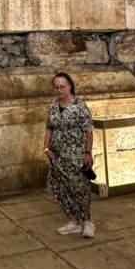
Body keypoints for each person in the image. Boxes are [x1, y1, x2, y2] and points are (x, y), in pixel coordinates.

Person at [44, 72, 95, 238]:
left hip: (76, 154)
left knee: (79, 188)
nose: (59, 90)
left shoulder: (79, 106)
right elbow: (49, 128)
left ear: (70, 86)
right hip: (57, 155)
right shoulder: (53, 106)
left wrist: (88, 152)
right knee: (60, 188)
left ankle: (87, 221)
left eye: (62, 86)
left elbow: (88, 131)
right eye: (56, 87)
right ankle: (73, 220)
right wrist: (46, 148)